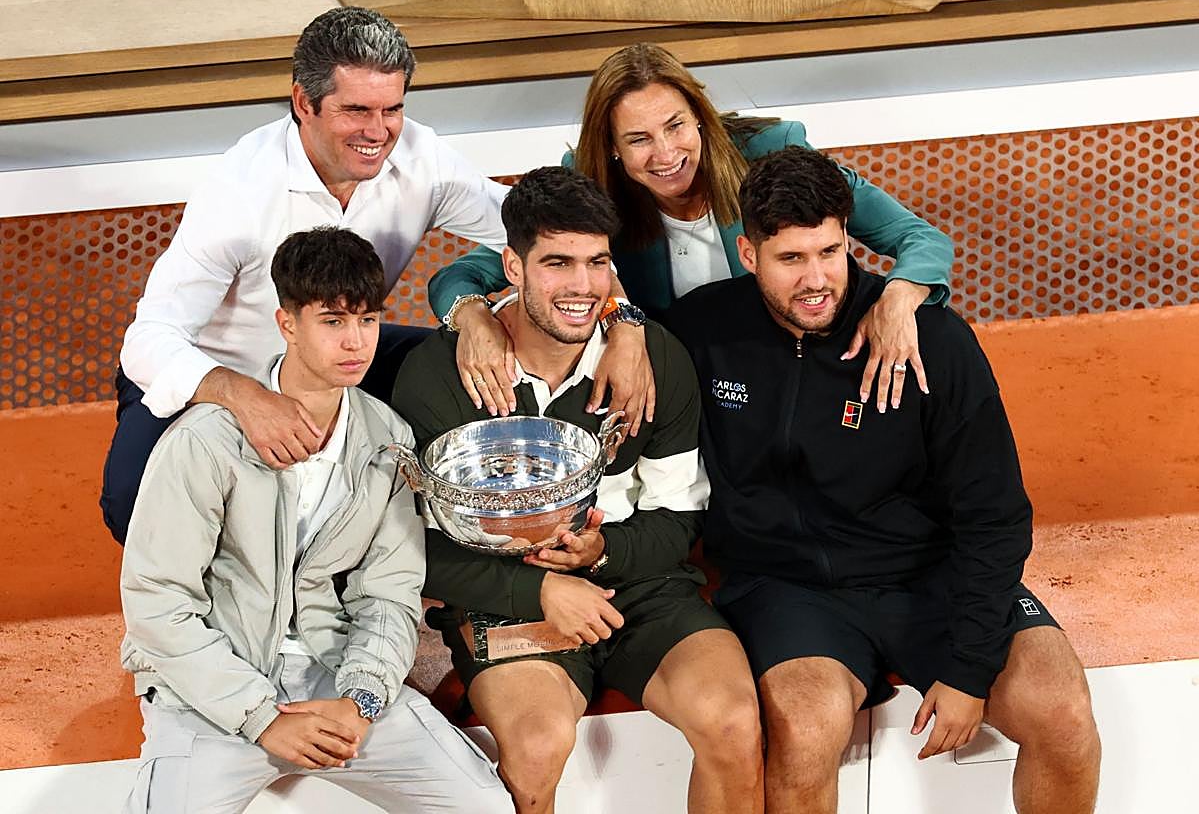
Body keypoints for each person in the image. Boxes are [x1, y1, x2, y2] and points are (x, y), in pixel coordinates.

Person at [670, 146, 1101, 814]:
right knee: (805, 733)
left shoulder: (931, 338)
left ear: (849, 240)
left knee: (1063, 713)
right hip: (788, 589)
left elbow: (995, 515)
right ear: (748, 253)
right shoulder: (703, 330)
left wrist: (966, 668)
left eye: (830, 252)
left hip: (929, 574)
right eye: (790, 259)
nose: (816, 280)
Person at [393, 166, 763, 814]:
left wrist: (601, 555)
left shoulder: (654, 358)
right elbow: (415, 547)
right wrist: (540, 588)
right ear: (512, 266)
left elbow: (680, 515)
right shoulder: (438, 374)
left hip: (639, 586)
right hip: (507, 597)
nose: (582, 286)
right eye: (557, 263)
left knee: (734, 722)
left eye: (597, 263)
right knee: (537, 747)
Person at [119, 227, 512, 814]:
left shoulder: (387, 438)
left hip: (334, 677)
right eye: (332, 321)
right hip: (213, 693)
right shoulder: (204, 441)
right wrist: (258, 717)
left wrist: (361, 697)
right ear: (287, 324)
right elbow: (157, 603)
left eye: (369, 320)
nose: (356, 342)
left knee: (481, 807)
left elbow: (389, 591)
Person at [101, 6, 509, 544]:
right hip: (222, 372)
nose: (378, 131)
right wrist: (247, 397)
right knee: (134, 504)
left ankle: (436, 551)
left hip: (343, 352)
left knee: (464, 368)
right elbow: (149, 340)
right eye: (356, 110)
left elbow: (530, 233)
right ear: (303, 103)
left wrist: (473, 310)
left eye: (392, 109)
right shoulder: (238, 192)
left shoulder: (421, 157)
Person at [427, 42, 954, 431]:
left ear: (700, 119)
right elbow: (464, 274)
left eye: (676, 126)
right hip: (686, 380)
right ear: (610, 148)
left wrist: (898, 299)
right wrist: (472, 317)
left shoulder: (774, 151)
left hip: (792, 356)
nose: (665, 153)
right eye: (638, 139)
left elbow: (919, 239)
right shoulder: (591, 183)